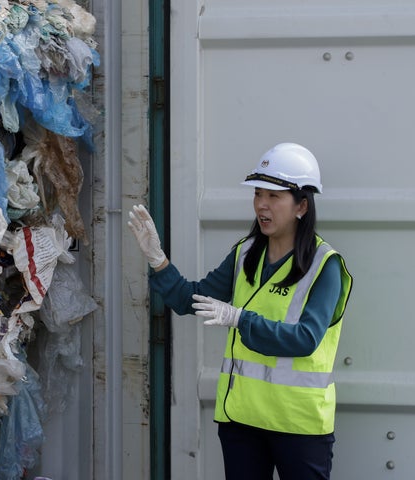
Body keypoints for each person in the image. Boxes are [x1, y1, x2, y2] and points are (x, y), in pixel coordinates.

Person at [128, 143, 353, 480]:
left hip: (299, 425)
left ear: (302, 206)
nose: (262, 204)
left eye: (274, 196)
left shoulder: (325, 266)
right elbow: (191, 298)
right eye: (258, 194)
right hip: (241, 421)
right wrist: (157, 260)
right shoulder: (245, 254)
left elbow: (306, 340)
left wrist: (239, 319)